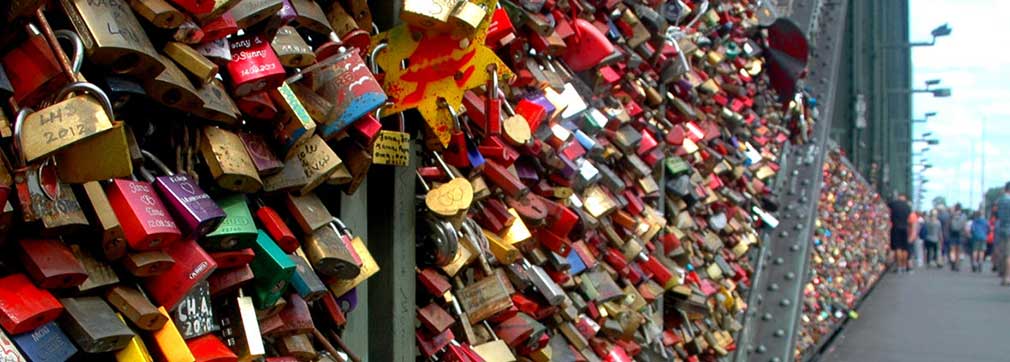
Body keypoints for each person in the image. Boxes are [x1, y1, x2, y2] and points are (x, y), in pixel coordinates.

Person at [887, 194, 913, 273]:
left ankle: (899, 266)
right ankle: (904, 266)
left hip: (896, 227)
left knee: (898, 247)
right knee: (904, 248)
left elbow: (887, 206)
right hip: (905, 228)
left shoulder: (894, 204)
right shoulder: (907, 207)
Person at [996, 182, 1010, 285]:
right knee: (1008, 255)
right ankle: (1007, 277)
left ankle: (1002, 275)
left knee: (1003, 253)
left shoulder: (1000, 201)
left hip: (1002, 229)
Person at [949, 204, 967, 271]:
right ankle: (957, 264)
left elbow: (950, 225)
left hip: (953, 234)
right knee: (958, 251)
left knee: (952, 250)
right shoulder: (964, 216)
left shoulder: (952, 215)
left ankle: (952, 261)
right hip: (960, 234)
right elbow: (965, 226)